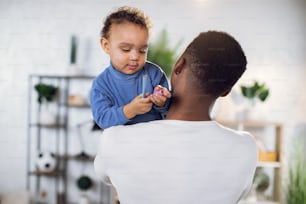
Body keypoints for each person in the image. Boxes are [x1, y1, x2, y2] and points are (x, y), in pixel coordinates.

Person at [94, 31, 258, 204]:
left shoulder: (115, 139)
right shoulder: (246, 148)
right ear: (226, 91)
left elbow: (107, 176)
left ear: (179, 66)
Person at [90, 6, 171, 129]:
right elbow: (102, 119)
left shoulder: (154, 74)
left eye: (142, 50)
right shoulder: (101, 84)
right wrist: (130, 110)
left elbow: (171, 109)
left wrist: (162, 102)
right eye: (126, 49)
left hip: (153, 139)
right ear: (106, 46)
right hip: (121, 143)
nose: (135, 57)